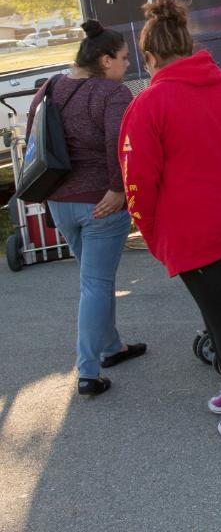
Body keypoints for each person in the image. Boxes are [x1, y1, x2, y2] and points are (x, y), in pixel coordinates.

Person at [119, 0, 221, 438]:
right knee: (220, 310)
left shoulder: (148, 105)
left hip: (193, 231)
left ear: (150, 57)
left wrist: (151, 233)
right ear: (188, 45)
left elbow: (137, 181)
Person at [28, 20, 142, 397]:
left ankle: (112, 347)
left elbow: (35, 140)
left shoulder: (49, 87)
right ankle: (88, 372)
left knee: (95, 280)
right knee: (96, 284)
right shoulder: (113, 93)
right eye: (123, 57)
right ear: (105, 60)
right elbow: (119, 143)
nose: (128, 63)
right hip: (101, 204)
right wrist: (118, 189)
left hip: (60, 202)